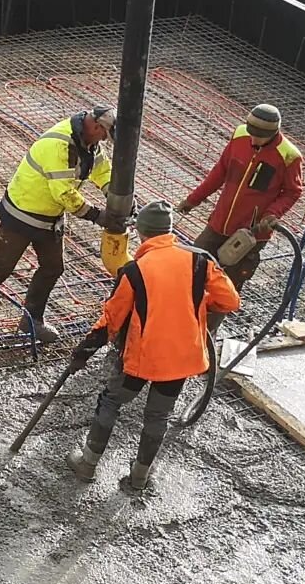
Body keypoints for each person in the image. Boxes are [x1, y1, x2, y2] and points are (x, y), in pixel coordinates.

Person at [65, 200, 240, 492]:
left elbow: (111, 321)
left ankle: (88, 464)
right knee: (158, 415)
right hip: (182, 357)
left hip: (143, 357)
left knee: (111, 401)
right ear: (168, 231)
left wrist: (82, 353)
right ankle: (139, 478)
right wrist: (196, 305)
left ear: (143, 234)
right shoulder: (200, 260)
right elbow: (230, 300)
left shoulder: (136, 271)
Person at [0, 105, 116, 348]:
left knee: (53, 267)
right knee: (0, 270)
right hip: (22, 215)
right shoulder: (61, 145)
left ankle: (32, 320)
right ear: (96, 127)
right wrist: (97, 215)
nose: (104, 140)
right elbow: (64, 193)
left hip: (49, 218)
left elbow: (101, 168)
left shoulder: (89, 142)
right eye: (104, 135)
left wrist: (114, 194)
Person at [177, 103, 303, 322]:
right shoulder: (240, 135)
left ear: (273, 134)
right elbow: (220, 172)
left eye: (259, 138)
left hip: (250, 233)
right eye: (251, 134)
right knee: (192, 265)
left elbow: (292, 192)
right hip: (219, 223)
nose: (253, 141)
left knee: (226, 285)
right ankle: (180, 314)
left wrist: (272, 213)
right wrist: (193, 199)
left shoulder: (288, 156)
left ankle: (208, 331)